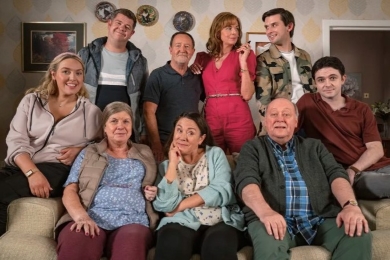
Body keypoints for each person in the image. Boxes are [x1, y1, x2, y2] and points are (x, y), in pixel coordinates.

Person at [233, 98, 372, 260]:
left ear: (296, 122)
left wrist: (350, 206)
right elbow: (246, 182)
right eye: (274, 114)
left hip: (319, 219)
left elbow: (337, 175)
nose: (280, 119)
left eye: (286, 114)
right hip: (273, 219)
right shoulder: (252, 148)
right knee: (269, 247)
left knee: (358, 232)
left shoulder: (315, 147)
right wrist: (265, 212)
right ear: (265, 121)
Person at [0, 52, 102, 236]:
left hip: (58, 169)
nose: (73, 78)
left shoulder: (91, 112)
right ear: (53, 74)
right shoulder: (31, 101)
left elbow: (105, 145)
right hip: (22, 164)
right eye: (66, 72)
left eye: (78, 73)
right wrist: (33, 173)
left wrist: (81, 149)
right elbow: (17, 140)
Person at [56, 102, 158, 260]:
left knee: (130, 248)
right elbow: (70, 189)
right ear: (104, 127)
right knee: (77, 246)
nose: (120, 126)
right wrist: (81, 217)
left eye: (126, 121)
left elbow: (156, 184)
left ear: (132, 126)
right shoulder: (89, 152)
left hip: (133, 221)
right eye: (114, 121)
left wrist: (152, 191)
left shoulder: (145, 152)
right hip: (91, 217)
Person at [153, 112, 246, 260]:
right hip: (181, 221)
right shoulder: (165, 166)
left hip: (221, 220)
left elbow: (222, 189)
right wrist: (172, 165)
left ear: (201, 138)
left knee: (217, 247)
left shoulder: (215, 154)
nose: (182, 137)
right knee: (171, 242)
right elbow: (164, 205)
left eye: (190, 132)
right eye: (179, 130)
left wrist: (180, 206)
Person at [297, 56, 390, 200]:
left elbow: (376, 149)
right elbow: (287, 129)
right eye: (321, 80)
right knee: (370, 182)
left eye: (332, 78)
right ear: (315, 83)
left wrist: (354, 169)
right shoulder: (307, 103)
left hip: (375, 166)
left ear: (343, 79)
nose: (327, 84)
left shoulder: (362, 109)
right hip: (356, 176)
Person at [78, 8, 148, 143]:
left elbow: (143, 100)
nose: (122, 28)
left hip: (125, 132)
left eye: (127, 26)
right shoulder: (86, 55)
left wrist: (143, 132)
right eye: (118, 23)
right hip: (90, 129)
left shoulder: (139, 61)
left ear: (131, 33)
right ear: (109, 24)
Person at [190, 12, 256, 153]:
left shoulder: (244, 55)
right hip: (211, 118)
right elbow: (193, 88)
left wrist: (243, 63)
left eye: (237, 28)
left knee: (243, 161)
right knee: (213, 161)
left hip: (238, 117)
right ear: (217, 31)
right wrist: (190, 69)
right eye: (229, 28)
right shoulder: (202, 58)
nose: (234, 32)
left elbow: (247, 94)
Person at [143, 32, 203, 162]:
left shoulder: (197, 77)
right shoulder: (157, 75)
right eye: (178, 45)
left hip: (191, 144)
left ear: (192, 51)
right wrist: (156, 144)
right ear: (170, 49)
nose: (182, 50)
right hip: (165, 143)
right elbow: (148, 111)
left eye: (187, 46)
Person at [256, 8, 315, 135]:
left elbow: (313, 90)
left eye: (274, 25)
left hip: (308, 122)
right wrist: (270, 130)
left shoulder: (305, 56)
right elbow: (263, 101)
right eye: (267, 27)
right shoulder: (263, 60)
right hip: (282, 123)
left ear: (289, 26)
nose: (269, 31)